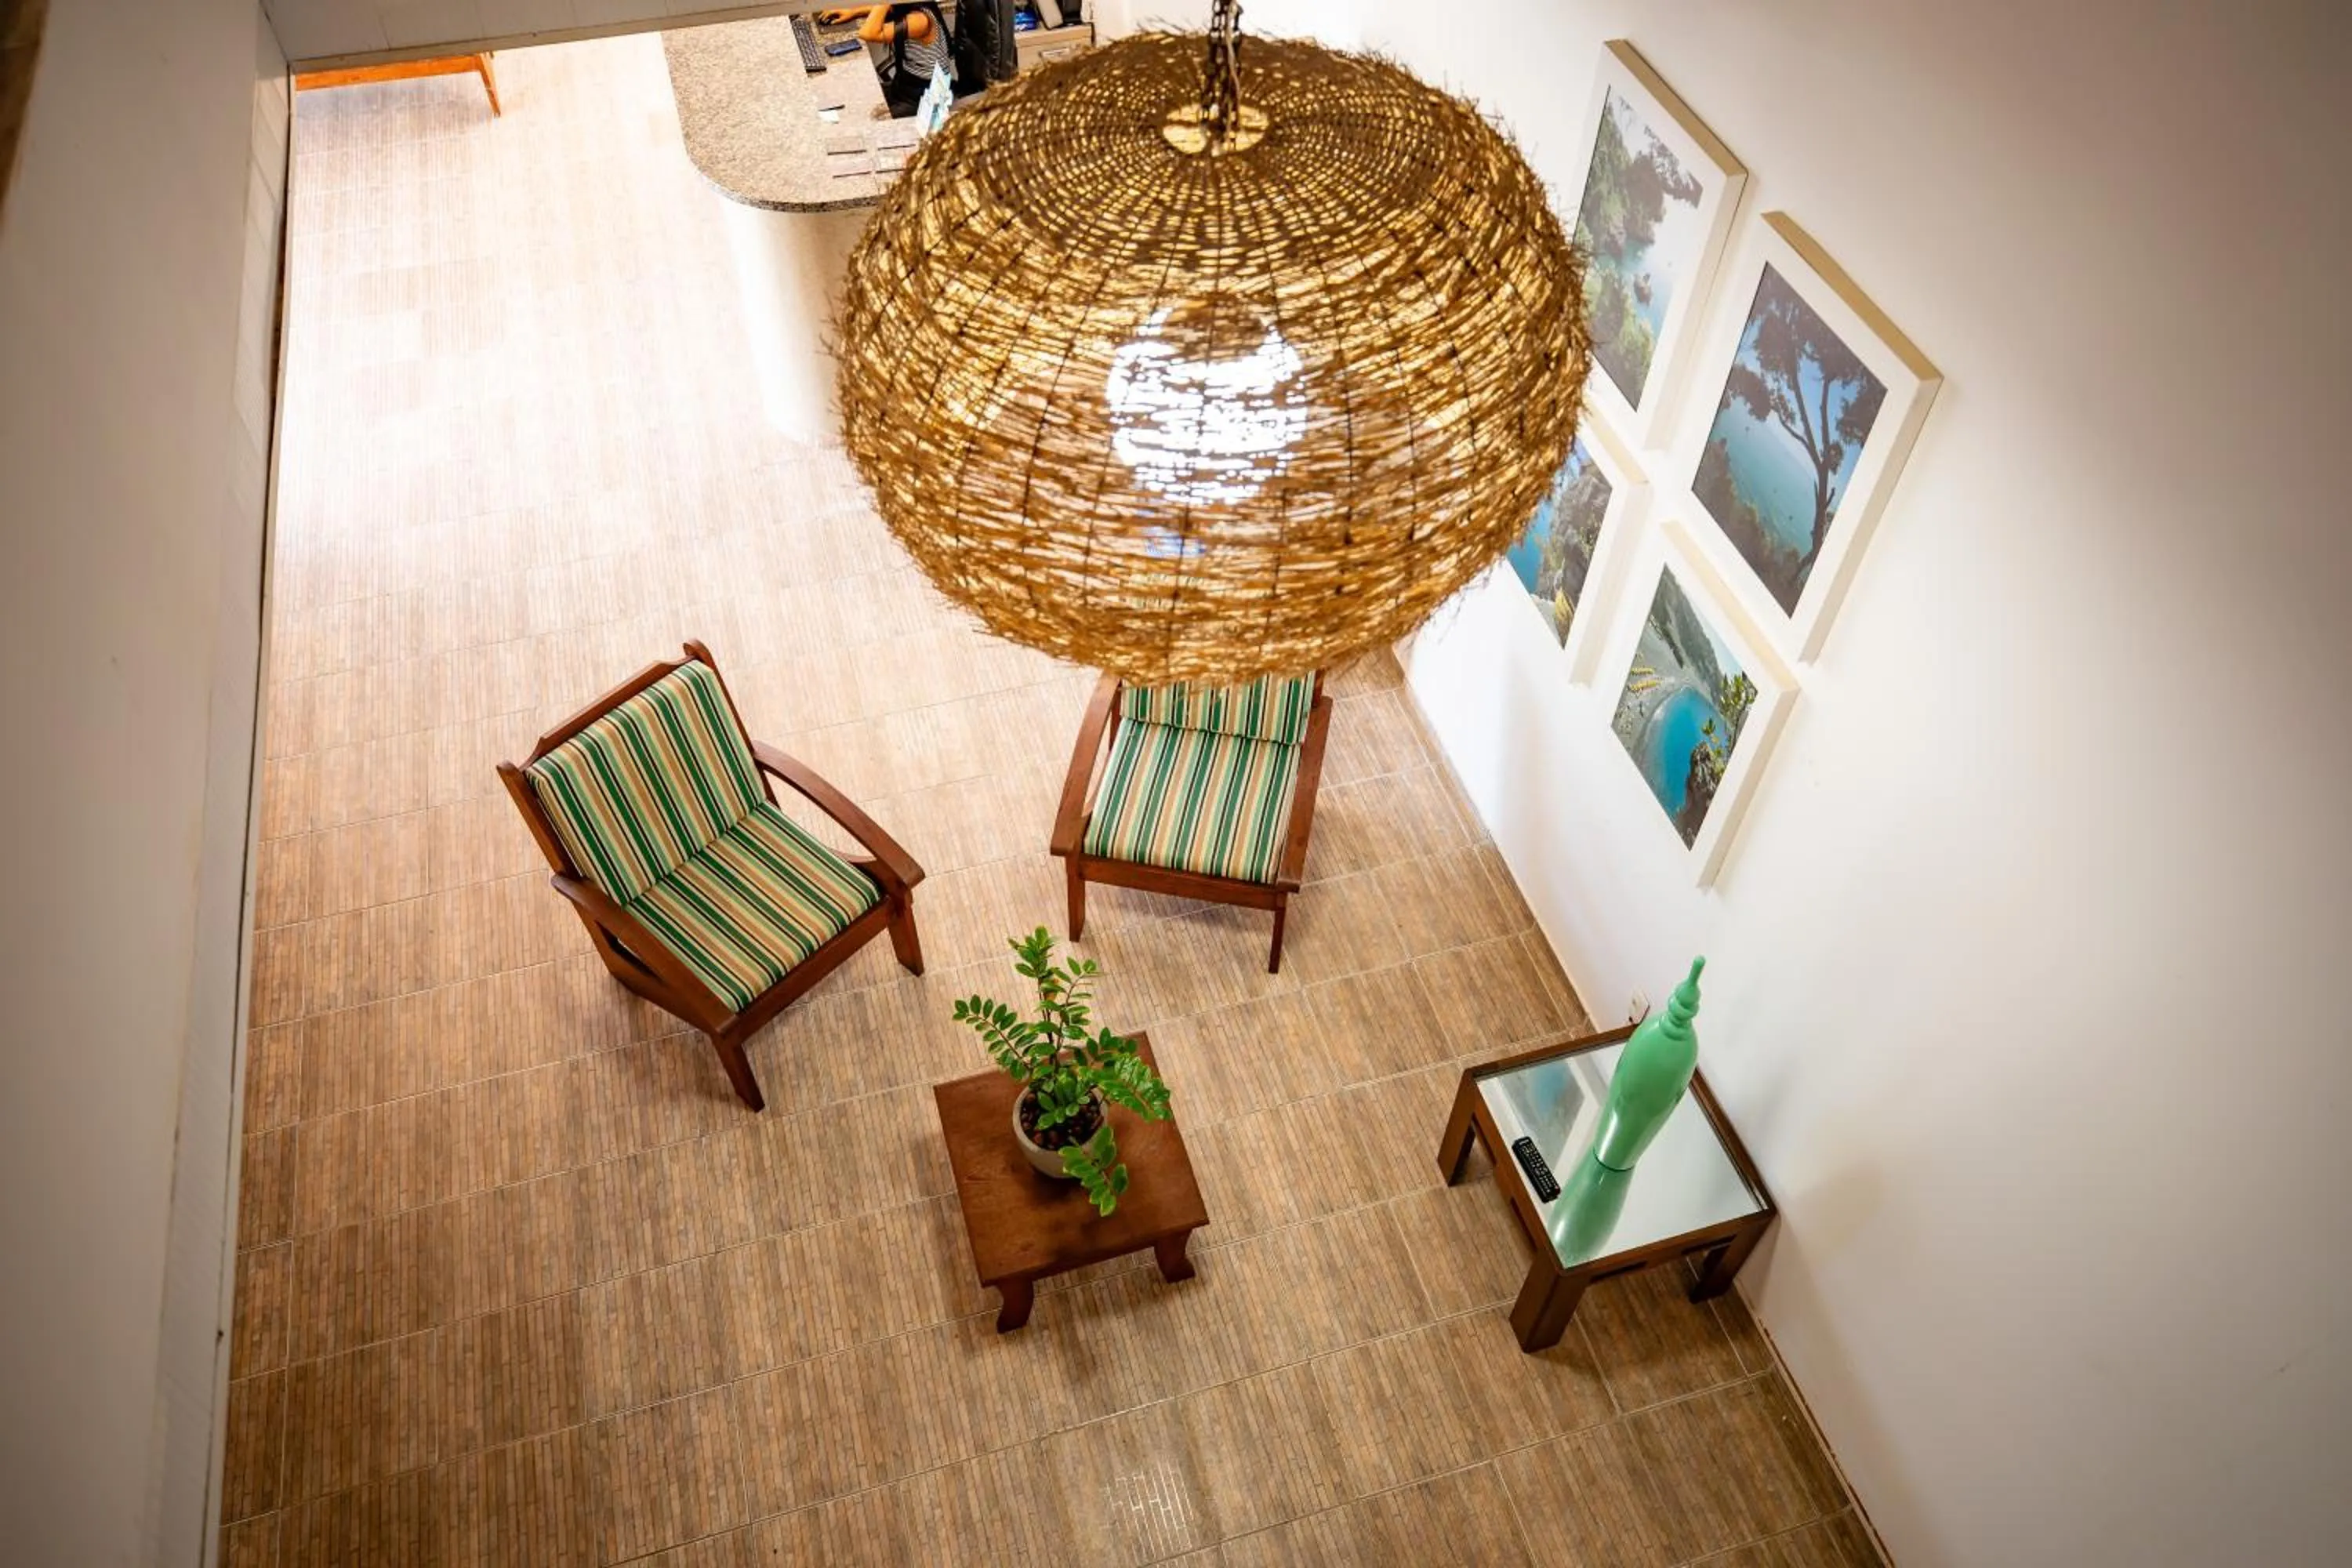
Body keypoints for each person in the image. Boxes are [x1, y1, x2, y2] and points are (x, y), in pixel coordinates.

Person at [820, 4, 953, 118]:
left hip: (921, 99)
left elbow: (868, 33)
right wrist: (854, 12)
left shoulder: (921, 20)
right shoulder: (911, 7)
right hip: (904, 85)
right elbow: (889, 8)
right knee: (851, 99)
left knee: (861, 117)